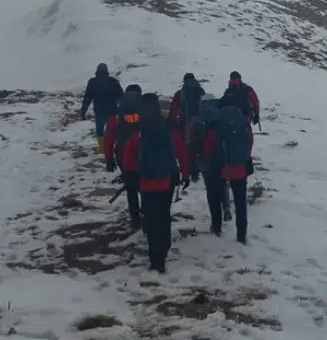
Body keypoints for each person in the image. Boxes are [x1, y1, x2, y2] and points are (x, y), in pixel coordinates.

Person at [126, 93, 190, 273]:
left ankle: (156, 259)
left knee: (152, 220)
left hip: (146, 183)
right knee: (164, 214)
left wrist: (131, 175)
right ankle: (165, 246)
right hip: (167, 180)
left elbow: (129, 157)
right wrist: (185, 173)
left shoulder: (138, 132)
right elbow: (181, 152)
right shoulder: (168, 130)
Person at [202, 101, 254, 244]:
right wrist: (244, 158)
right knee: (240, 202)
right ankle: (241, 236)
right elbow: (250, 141)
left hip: (222, 168)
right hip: (240, 168)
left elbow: (209, 146)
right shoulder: (243, 123)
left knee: (216, 195)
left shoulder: (217, 125)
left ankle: (217, 226)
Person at [103, 84, 144, 232]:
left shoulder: (117, 117)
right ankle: (148, 213)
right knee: (145, 187)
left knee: (131, 190)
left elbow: (108, 140)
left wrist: (109, 159)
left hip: (124, 158)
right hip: (144, 156)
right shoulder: (145, 114)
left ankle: (136, 220)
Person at [80, 63, 124, 155]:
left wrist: (83, 111)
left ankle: (103, 149)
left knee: (100, 131)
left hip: (99, 110)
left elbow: (87, 97)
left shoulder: (92, 82)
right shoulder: (113, 81)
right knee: (113, 131)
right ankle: (115, 147)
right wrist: (123, 109)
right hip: (113, 110)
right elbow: (121, 97)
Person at [168, 73, 206, 144]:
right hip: (201, 127)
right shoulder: (201, 92)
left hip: (185, 128)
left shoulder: (180, 94)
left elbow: (173, 113)